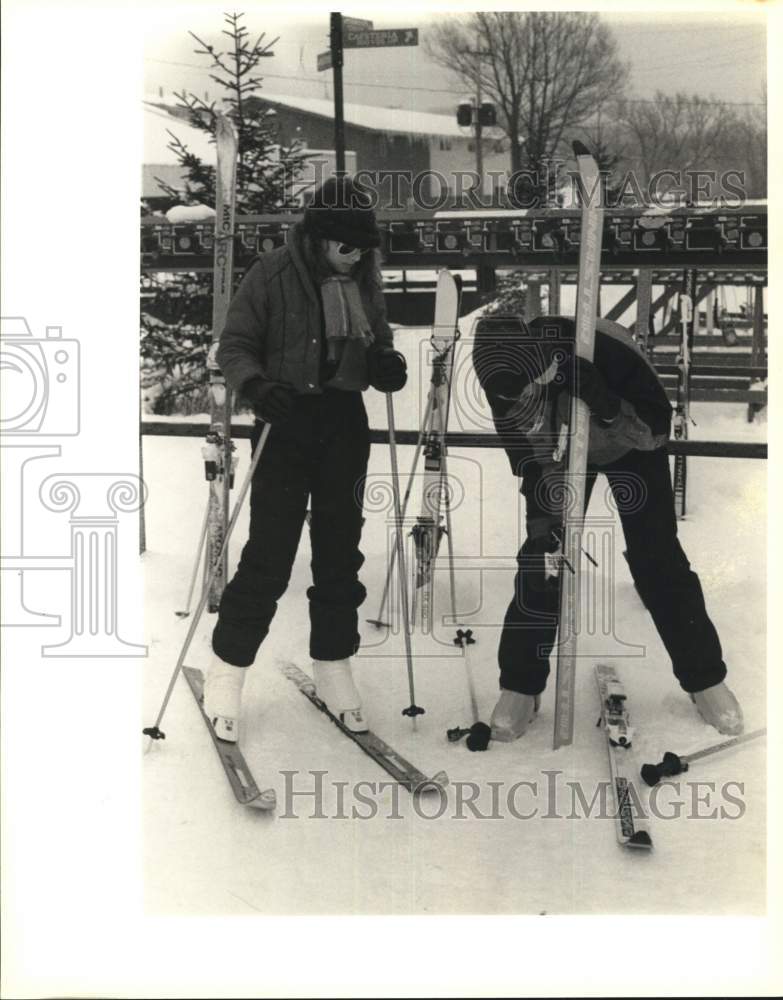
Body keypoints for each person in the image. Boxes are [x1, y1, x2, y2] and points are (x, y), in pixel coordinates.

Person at [472, 313, 743, 741]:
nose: (518, 400)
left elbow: (655, 430)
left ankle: (705, 678)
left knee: (658, 559)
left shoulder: (606, 351)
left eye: (528, 390)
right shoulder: (500, 379)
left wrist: (608, 406)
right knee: (542, 559)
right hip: (558, 456)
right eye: (511, 397)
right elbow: (526, 458)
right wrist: (547, 526)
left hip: (630, 443)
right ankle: (520, 686)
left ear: (541, 366)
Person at [203, 176, 407, 741]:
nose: (357, 254)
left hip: (344, 425)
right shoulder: (270, 273)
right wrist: (256, 386)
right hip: (286, 424)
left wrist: (386, 365)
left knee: (339, 554)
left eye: (363, 246)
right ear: (318, 238)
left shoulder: (364, 279)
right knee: (269, 556)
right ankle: (228, 670)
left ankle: (334, 665)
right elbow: (234, 345)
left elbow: (379, 340)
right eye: (346, 245)